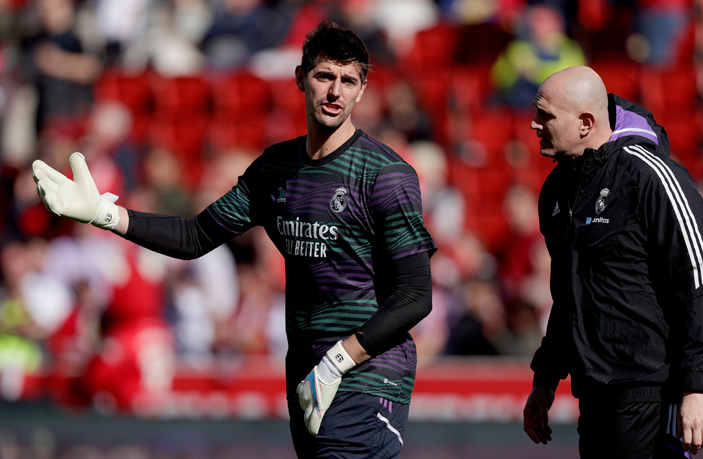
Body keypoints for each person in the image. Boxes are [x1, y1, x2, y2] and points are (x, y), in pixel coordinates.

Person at [32, 21, 437, 459]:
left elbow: (416, 294)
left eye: (348, 80)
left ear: (362, 90)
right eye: (325, 76)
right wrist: (104, 214)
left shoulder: (385, 175)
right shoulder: (275, 169)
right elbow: (196, 235)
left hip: (366, 373)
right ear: (302, 78)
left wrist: (340, 360)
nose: (335, 91)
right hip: (305, 371)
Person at [523, 66, 703, 458]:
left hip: (653, 393)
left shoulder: (650, 175)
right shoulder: (555, 190)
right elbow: (568, 296)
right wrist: (545, 380)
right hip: (593, 394)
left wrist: (697, 386)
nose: (534, 124)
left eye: (545, 116)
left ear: (585, 122)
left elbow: (701, 282)